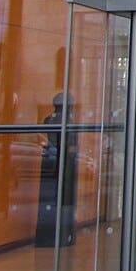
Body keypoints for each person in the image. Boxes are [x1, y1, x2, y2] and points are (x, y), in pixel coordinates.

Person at [34, 92, 77, 247]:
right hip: (63, 160)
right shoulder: (67, 121)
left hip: (52, 158)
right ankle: (62, 234)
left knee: (51, 197)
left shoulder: (49, 119)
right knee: (62, 197)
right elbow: (71, 143)